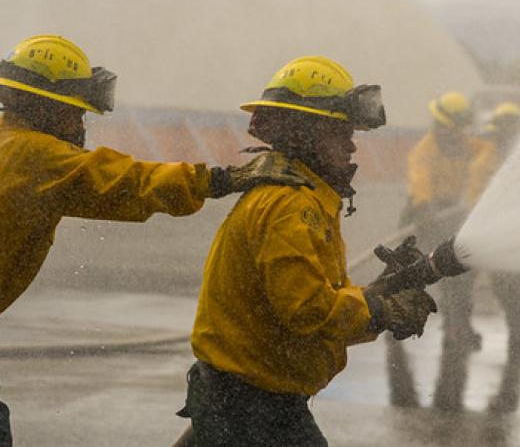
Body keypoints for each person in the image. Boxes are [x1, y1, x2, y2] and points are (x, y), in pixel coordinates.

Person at [0, 34, 297, 447]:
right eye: (74, 113)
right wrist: (223, 179)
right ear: (43, 107)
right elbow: (126, 181)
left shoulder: (9, 142)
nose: (80, 126)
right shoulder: (32, 155)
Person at [177, 56, 438, 446]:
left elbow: (314, 307)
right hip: (253, 408)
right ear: (306, 133)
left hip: (240, 399)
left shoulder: (308, 198)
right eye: (340, 133)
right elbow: (308, 311)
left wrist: (380, 293)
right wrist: (382, 311)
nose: (352, 145)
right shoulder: (291, 206)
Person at [388, 91, 488, 410]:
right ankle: (395, 318)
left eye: (454, 128)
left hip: (457, 215)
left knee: (459, 275)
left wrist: (470, 199)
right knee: (407, 272)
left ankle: (457, 326)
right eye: (444, 126)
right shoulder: (426, 150)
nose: (447, 132)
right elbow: (420, 183)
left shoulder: (471, 146)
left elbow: (484, 160)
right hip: (423, 214)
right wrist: (427, 206)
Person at [467, 102, 520, 411]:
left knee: (511, 292)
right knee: (466, 290)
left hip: (503, 241)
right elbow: (475, 200)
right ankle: (460, 332)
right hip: (484, 238)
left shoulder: (515, 163)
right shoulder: (487, 161)